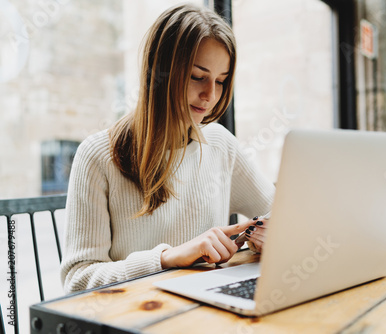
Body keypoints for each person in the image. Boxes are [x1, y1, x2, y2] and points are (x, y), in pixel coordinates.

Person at [60, 4, 275, 293]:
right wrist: (166, 259)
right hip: (137, 317)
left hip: (205, 310)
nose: (210, 95)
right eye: (197, 76)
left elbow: (280, 212)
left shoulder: (220, 144)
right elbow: (78, 279)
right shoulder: (98, 155)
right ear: (160, 72)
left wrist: (270, 233)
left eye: (221, 81)